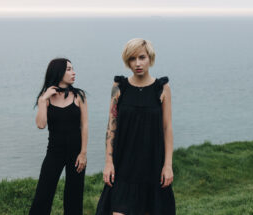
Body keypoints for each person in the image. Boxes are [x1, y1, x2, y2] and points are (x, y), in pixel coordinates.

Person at [95, 38, 176, 215]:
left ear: (150, 58)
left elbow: (167, 128)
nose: (137, 63)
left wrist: (168, 165)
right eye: (132, 59)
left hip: (152, 165)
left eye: (142, 57)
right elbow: (111, 126)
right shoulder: (119, 87)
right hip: (123, 165)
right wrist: (109, 162)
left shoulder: (162, 88)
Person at [29, 58, 88, 215]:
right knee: (43, 195)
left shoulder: (79, 95)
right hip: (54, 152)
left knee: (74, 197)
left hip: (76, 153)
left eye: (72, 68)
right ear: (58, 72)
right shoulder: (46, 98)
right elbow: (41, 125)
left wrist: (83, 153)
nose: (73, 72)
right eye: (69, 69)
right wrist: (43, 100)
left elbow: (85, 126)